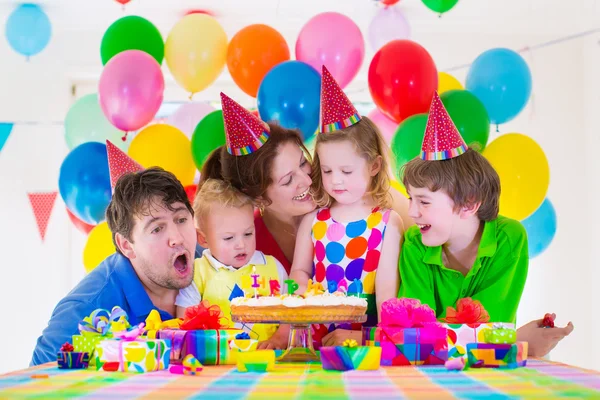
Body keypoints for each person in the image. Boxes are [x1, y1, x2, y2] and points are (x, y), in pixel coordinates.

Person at [397, 92, 573, 355]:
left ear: (469, 203)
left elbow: (493, 327)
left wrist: (506, 338)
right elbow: (415, 337)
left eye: (424, 201)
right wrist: (516, 339)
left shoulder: (509, 238)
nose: (412, 211)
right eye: (411, 198)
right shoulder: (415, 244)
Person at [31, 166, 200, 365]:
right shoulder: (85, 311)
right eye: (157, 229)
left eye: (181, 219)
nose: (177, 238)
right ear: (126, 245)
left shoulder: (215, 265)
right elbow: (37, 384)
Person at [289, 66, 403, 345]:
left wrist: (364, 338)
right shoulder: (314, 221)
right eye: (327, 171)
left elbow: (387, 295)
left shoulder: (389, 221)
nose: (336, 181)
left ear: (374, 165)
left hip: (365, 336)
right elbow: (299, 272)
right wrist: (300, 295)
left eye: (347, 171)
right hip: (315, 333)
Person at [174, 176, 290, 349]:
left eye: (248, 234)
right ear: (203, 239)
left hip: (267, 360)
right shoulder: (197, 272)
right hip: (217, 360)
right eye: (228, 237)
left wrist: (279, 339)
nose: (241, 244)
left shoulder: (273, 268)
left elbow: (291, 313)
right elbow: (185, 323)